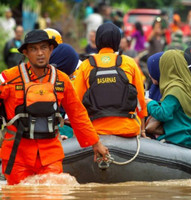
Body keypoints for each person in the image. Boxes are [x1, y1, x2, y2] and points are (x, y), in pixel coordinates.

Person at [0, 29, 109, 185]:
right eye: (33, 49)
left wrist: (96, 143)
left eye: (44, 47)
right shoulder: (9, 78)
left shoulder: (62, 80)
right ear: (25, 52)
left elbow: (77, 114)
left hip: (51, 156)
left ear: (51, 50)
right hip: (17, 157)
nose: (40, 53)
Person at [73, 23, 147, 138]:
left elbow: (76, 102)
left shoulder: (86, 65)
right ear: (117, 41)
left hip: (95, 130)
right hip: (127, 129)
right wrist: (142, 131)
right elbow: (140, 101)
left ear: (97, 40)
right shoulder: (129, 62)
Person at [146, 50, 191, 149]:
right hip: (189, 138)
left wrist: (149, 103)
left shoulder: (174, 89)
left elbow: (164, 114)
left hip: (177, 139)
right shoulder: (187, 85)